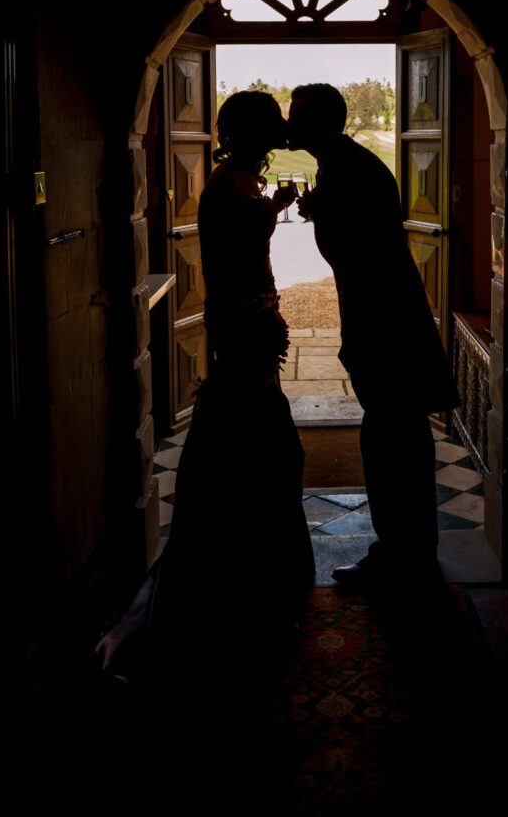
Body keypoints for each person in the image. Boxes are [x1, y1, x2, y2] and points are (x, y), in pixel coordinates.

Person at [96, 90, 315, 685]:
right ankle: (246, 590)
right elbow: (240, 247)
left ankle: (245, 586)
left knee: (254, 460)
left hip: (250, 332)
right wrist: (276, 208)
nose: (280, 134)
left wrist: (274, 204)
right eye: (272, 126)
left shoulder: (238, 180)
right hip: (243, 337)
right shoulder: (227, 185)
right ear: (251, 133)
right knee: (262, 459)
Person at [287, 83, 461, 590]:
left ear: (320, 121)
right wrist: (322, 211)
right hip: (389, 318)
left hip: (384, 325)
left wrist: (324, 216)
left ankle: (399, 555)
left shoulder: (346, 169)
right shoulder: (347, 164)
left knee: (390, 438)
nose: (288, 124)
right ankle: (412, 549)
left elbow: (354, 252)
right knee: (398, 435)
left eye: (295, 115)